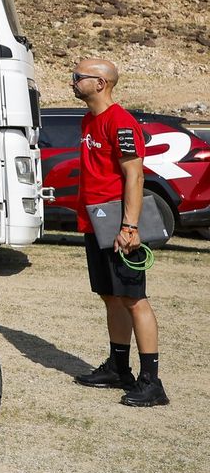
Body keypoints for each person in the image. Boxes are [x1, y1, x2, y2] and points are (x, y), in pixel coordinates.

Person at [70, 58, 168, 407]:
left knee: (133, 299)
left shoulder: (120, 122)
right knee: (111, 296)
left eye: (79, 76)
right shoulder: (89, 119)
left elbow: (135, 176)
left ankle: (151, 382)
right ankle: (118, 367)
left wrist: (129, 226)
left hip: (117, 225)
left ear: (100, 83)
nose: (73, 80)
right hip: (95, 223)